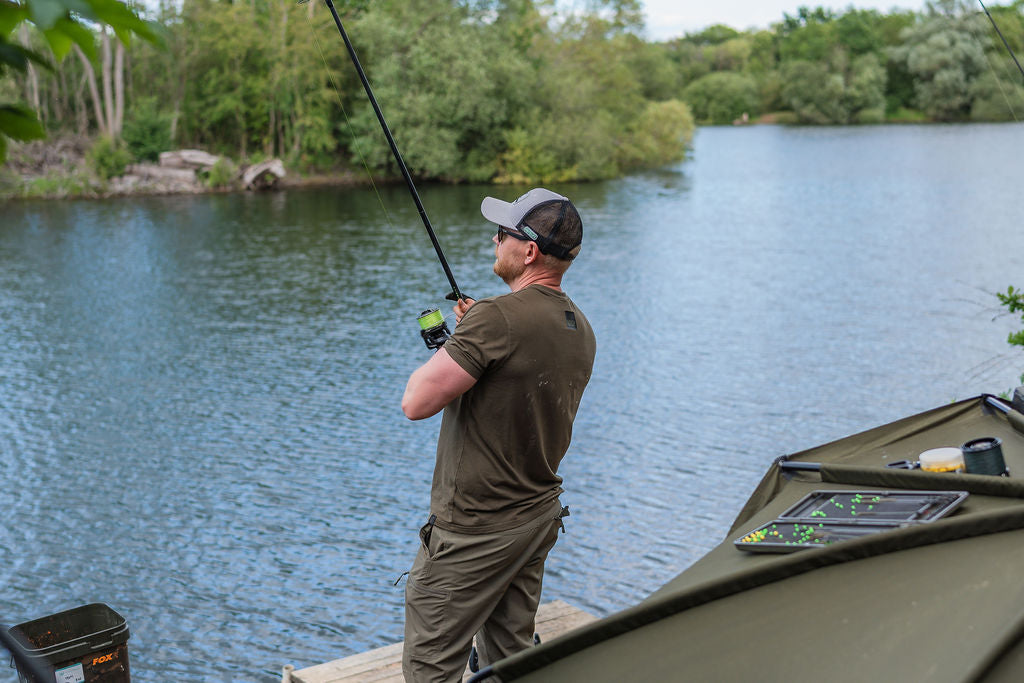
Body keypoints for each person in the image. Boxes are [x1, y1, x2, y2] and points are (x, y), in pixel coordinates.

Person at [400, 187, 597, 682]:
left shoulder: (495, 320)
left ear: (528, 250)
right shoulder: (579, 326)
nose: (494, 239)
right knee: (510, 657)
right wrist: (477, 336)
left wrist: (470, 336)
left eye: (503, 233)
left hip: (474, 530)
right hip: (534, 518)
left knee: (429, 667)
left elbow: (416, 403)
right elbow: (517, 377)